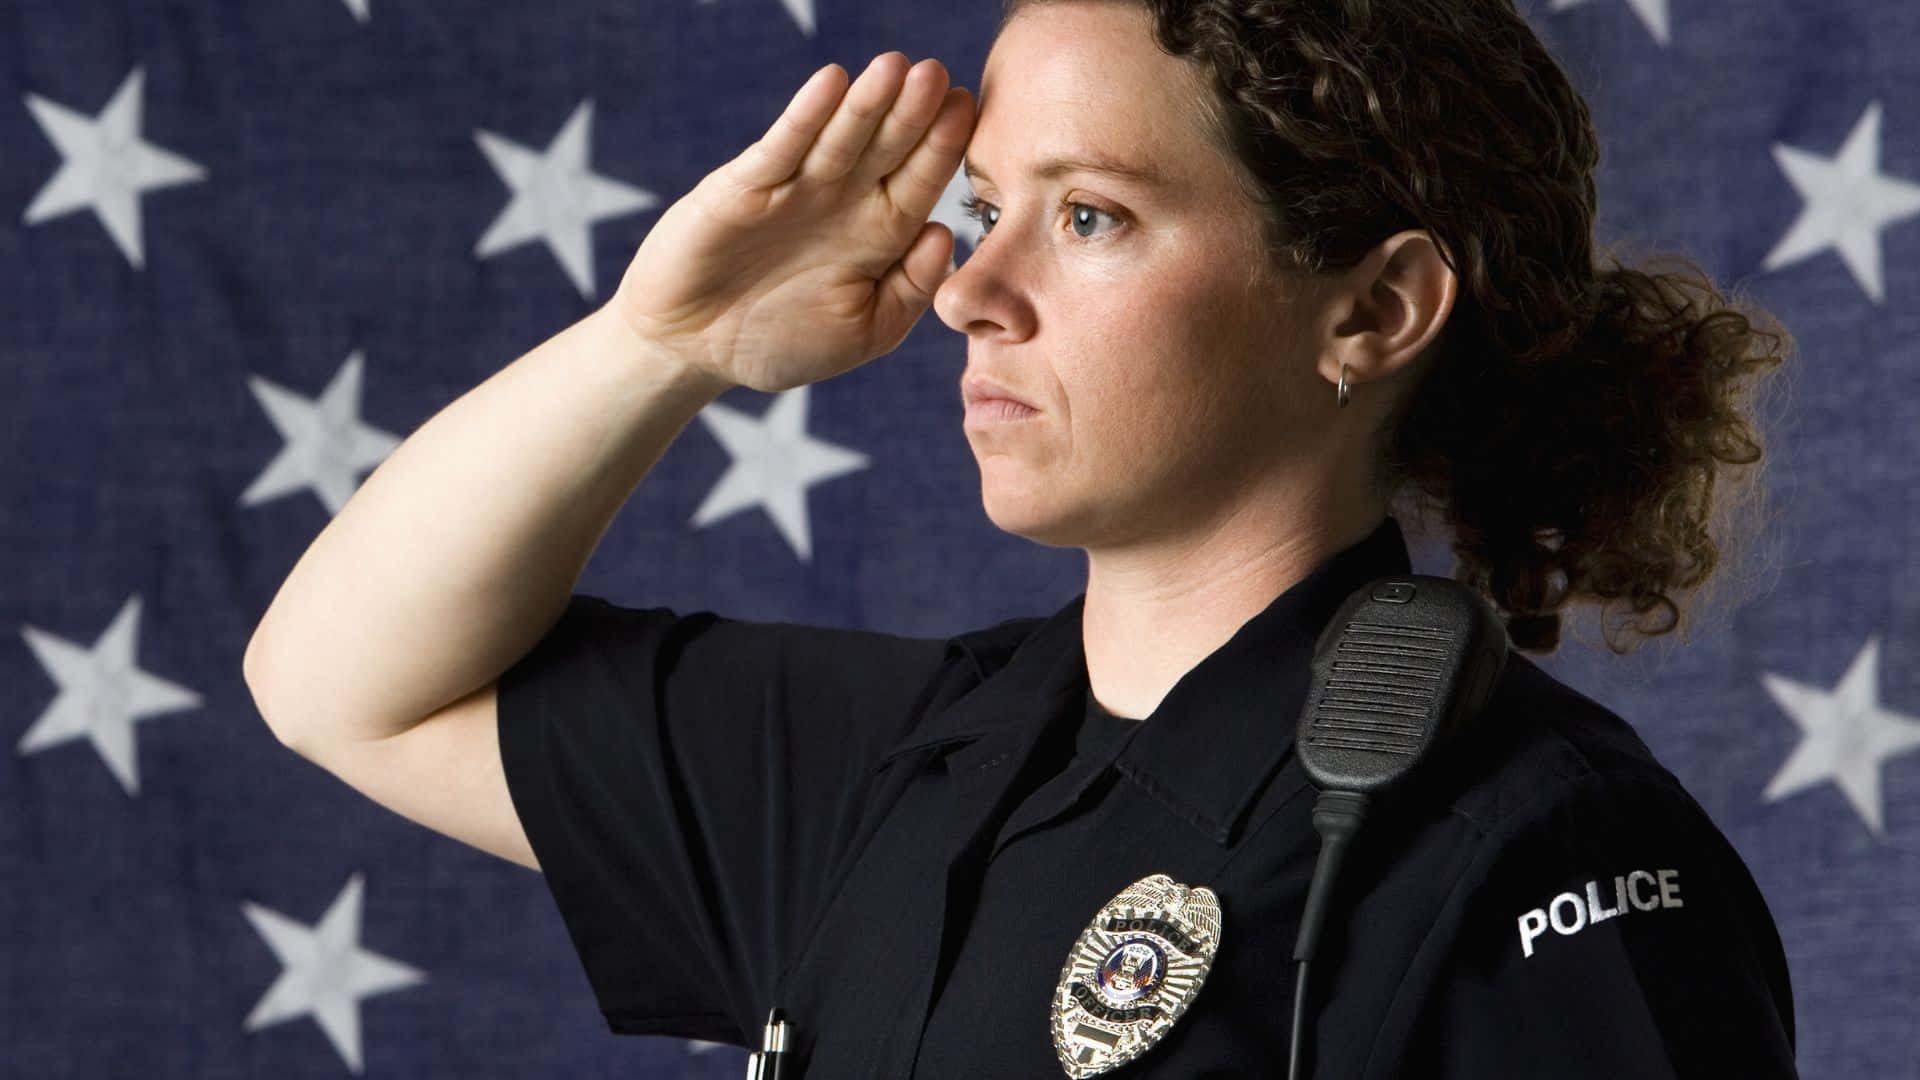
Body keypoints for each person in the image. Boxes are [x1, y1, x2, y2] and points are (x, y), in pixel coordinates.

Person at [242, 0, 1799, 1075]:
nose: (973, 291)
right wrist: (670, 341)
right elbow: (336, 682)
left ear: (1373, 310)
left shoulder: (1545, 845)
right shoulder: (886, 764)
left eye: (1093, 215)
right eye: (986, 212)